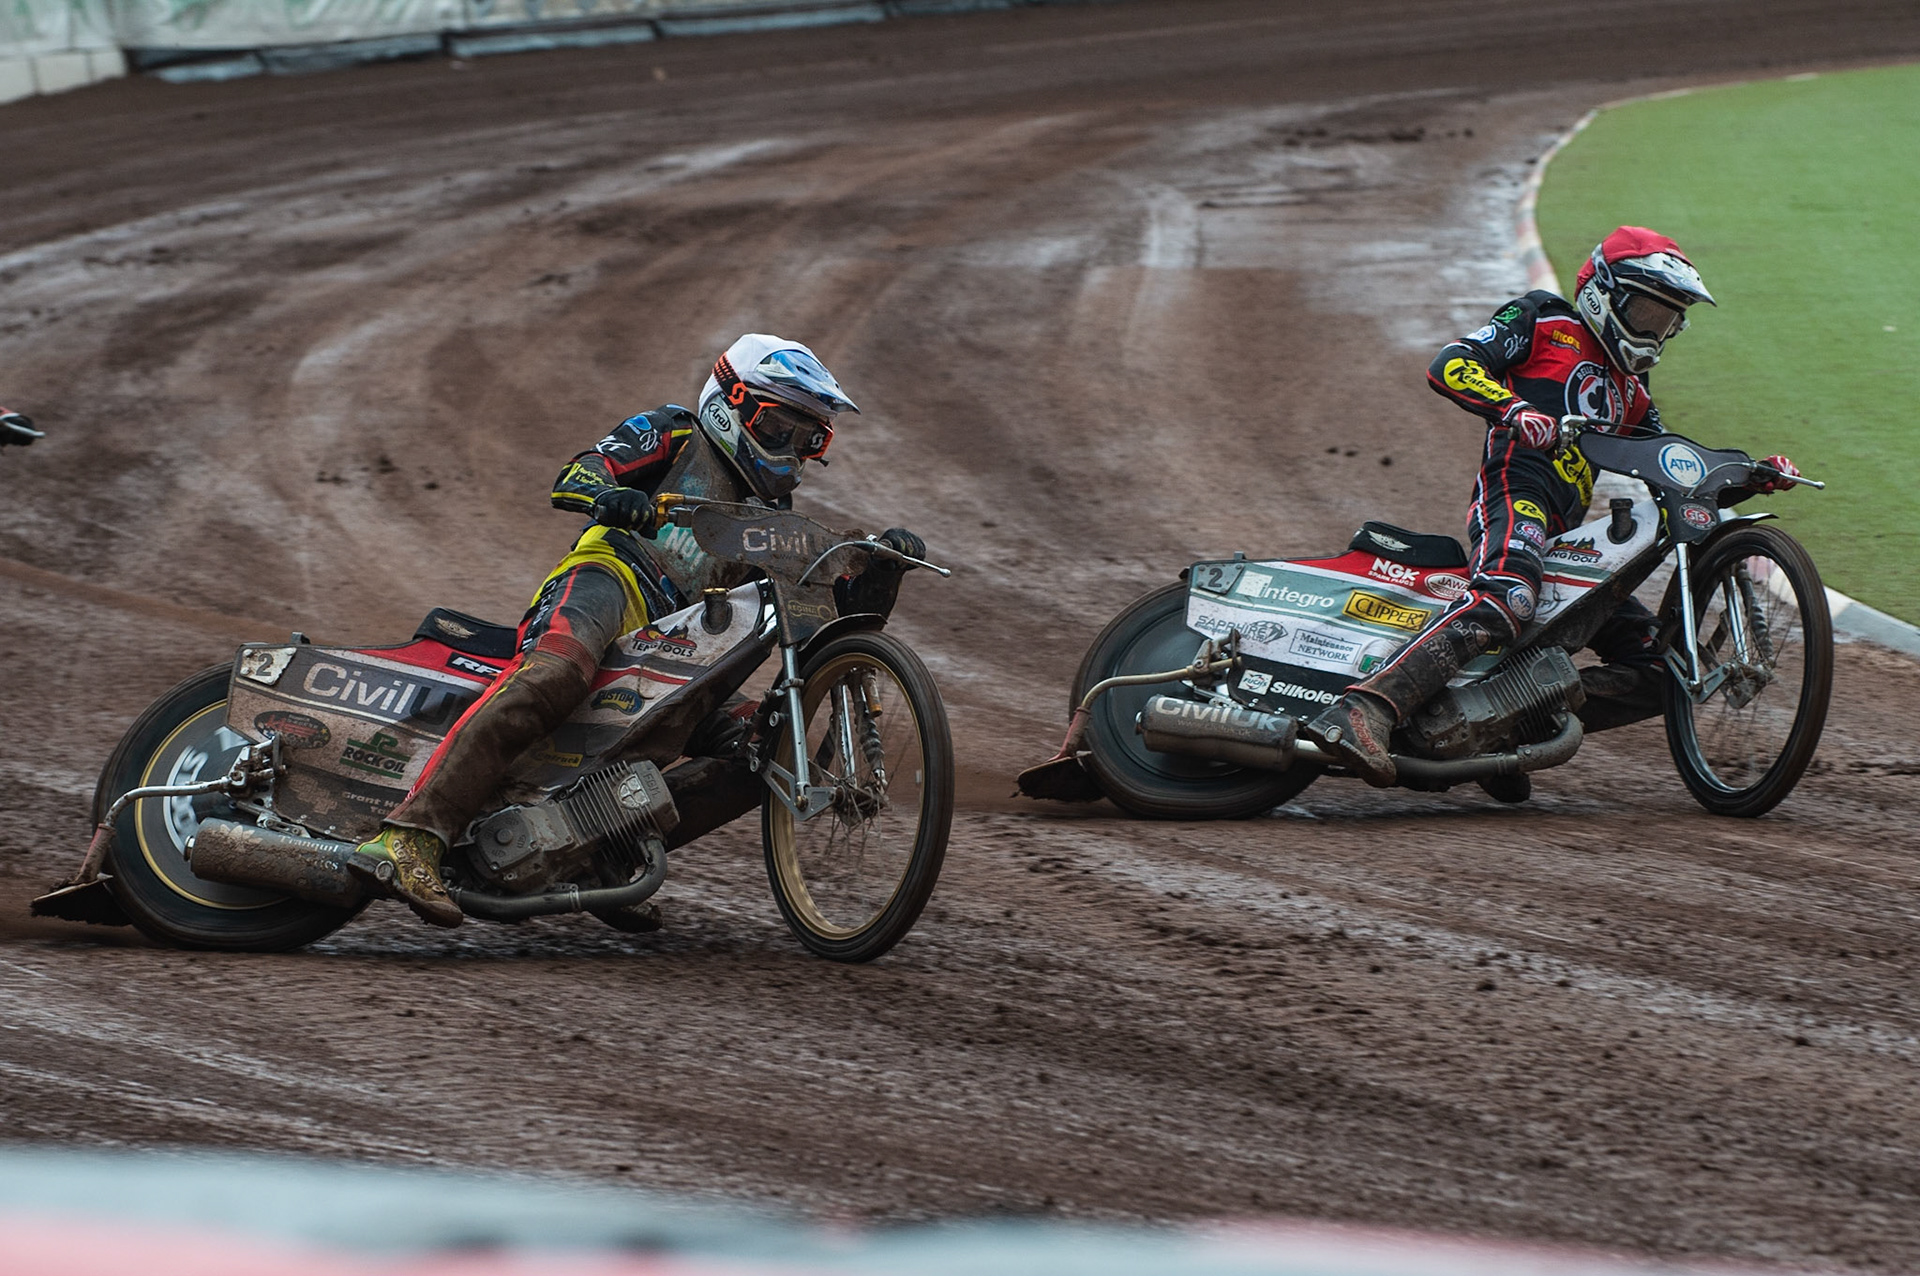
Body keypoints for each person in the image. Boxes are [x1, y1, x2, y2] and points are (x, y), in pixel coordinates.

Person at [351, 335, 924, 926]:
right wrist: (613, 497)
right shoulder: (674, 432)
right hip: (609, 578)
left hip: (683, 648)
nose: (793, 452)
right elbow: (577, 473)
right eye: (779, 429)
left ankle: (601, 855)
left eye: (810, 440)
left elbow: (836, 618)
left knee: (767, 751)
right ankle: (411, 837)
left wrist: (882, 567)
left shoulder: (771, 522)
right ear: (730, 402)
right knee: (556, 673)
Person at [1306, 227, 1800, 787]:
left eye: (1666, 320)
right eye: (1644, 310)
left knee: (1663, 670)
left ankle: (1503, 728)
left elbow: (1670, 466)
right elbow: (1452, 362)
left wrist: (1750, 477)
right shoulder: (1544, 319)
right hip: (1516, 489)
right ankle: (1363, 710)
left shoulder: (1631, 390)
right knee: (1508, 599)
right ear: (1603, 292)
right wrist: (1512, 409)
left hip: (1568, 536)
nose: (1652, 330)